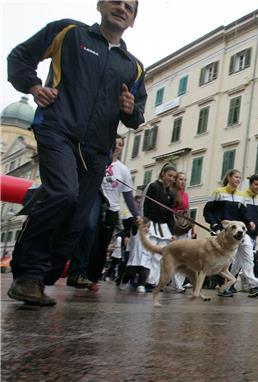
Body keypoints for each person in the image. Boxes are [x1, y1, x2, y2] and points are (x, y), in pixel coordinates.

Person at [7, 0, 146, 306]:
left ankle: (42, 277)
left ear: (133, 20)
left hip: (97, 148)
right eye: (115, 1)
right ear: (100, 5)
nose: (121, 8)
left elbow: (137, 114)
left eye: (129, 6)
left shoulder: (133, 66)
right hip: (57, 129)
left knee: (80, 218)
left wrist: (130, 109)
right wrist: (33, 87)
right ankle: (28, 275)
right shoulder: (68, 32)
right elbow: (20, 57)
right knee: (63, 193)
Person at [86, 135, 140, 290]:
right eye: (115, 143)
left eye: (121, 144)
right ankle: (80, 271)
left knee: (102, 245)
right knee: (90, 238)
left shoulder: (123, 170)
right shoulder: (98, 162)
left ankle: (93, 279)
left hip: (112, 210)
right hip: (94, 206)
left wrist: (136, 215)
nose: (118, 146)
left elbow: (128, 196)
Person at [203, 169, 258, 297]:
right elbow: (207, 212)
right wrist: (215, 225)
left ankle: (249, 284)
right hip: (221, 232)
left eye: (240, 178)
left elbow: (244, 214)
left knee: (242, 256)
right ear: (229, 178)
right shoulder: (218, 193)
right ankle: (223, 285)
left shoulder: (241, 196)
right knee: (223, 260)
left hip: (237, 233)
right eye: (236, 177)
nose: (238, 180)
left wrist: (249, 222)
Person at [142, 164, 177, 291]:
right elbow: (145, 205)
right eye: (169, 176)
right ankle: (143, 280)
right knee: (149, 253)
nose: (171, 179)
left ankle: (153, 282)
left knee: (159, 256)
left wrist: (172, 232)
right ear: (163, 174)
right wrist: (145, 222)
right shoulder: (153, 186)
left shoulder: (171, 194)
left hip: (164, 228)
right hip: (151, 224)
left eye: (174, 177)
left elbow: (170, 214)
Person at [170, 172, 192, 292]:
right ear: (176, 180)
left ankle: (177, 283)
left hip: (184, 226)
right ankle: (177, 284)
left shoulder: (186, 195)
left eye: (185, 180)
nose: (183, 182)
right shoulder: (172, 193)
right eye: (180, 179)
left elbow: (187, 211)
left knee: (184, 256)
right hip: (174, 226)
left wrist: (191, 228)